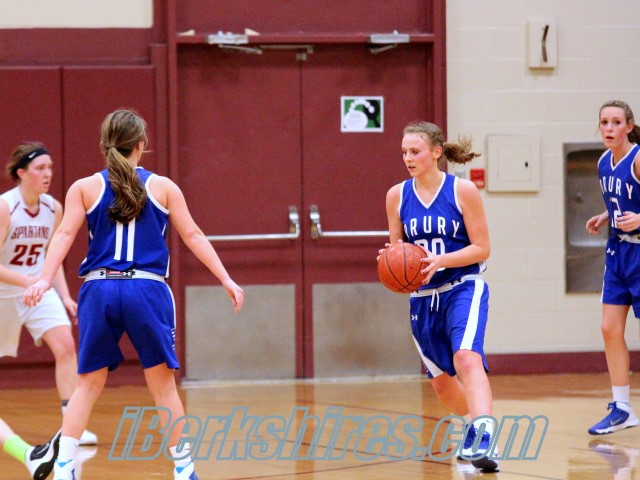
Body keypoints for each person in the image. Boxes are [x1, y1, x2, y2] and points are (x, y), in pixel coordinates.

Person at [23, 109, 244, 480]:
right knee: (163, 387)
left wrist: (44, 280)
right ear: (141, 144)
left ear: (104, 145)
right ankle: (184, 470)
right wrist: (226, 278)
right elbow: (193, 235)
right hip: (146, 288)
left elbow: (63, 235)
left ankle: (63, 467)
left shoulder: (84, 187)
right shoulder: (164, 187)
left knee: (87, 385)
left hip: (99, 288)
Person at [380, 121, 498, 472]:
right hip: (423, 298)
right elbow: (398, 249)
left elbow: (482, 248)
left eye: (415, 151)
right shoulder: (396, 196)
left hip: (463, 287)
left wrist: (441, 260)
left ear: (436, 152)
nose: (408, 158)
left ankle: (485, 438)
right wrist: (389, 260)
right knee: (444, 389)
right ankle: (472, 424)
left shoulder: (462, 190)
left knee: (466, 358)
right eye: (404, 152)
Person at [0, 142, 97, 447]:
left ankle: (72, 427)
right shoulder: (5, 207)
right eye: (40, 168)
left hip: (37, 290)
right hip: (5, 292)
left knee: (66, 345)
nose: (47, 174)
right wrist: (30, 281)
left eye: (50, 168)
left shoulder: (54, 208)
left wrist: (64, 296)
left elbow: (51, 259)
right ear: (21, 173)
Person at [585, 99, 640, 435]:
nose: (609, 128)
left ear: (629, 127)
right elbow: (623, 198)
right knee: (609, 328)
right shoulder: (604, 161)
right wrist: (607, 215)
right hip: (619, 251)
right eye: (604, 122)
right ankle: (622, 408)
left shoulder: (638, 158)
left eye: (616, 122)